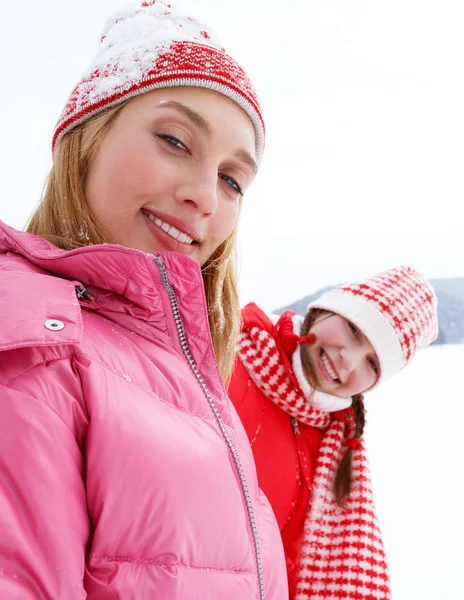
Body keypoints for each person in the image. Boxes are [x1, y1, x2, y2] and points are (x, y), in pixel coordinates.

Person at [0, 2, 288, 598]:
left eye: (233, 178)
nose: (205, 196)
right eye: (174, 140)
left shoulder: (186, 374)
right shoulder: (37, 345)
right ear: (86, 141)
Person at [228, 266, 438, 600]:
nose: (349, 362)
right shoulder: (224, 352)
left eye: (372, 364)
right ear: (326, 309)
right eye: (355, 331)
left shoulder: (335, 440)